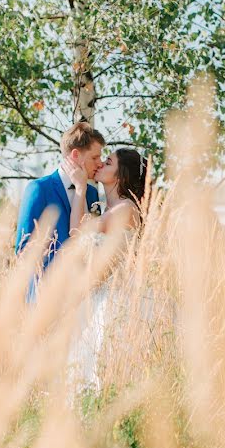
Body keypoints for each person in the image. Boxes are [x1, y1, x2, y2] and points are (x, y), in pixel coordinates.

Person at [62, 148, 148, 389]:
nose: (100, 164)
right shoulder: (109, 210)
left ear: (120, 175)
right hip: (99, 297)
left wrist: (80, 188)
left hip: (117, 300)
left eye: (108, 162)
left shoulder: (125, 209)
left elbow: (77, 233)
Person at [14, 122, 105, 270]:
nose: (100, 164)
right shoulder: (39, 189)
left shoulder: (92, 193)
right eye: (95, 158)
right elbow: (23, 250)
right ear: (76, 155)